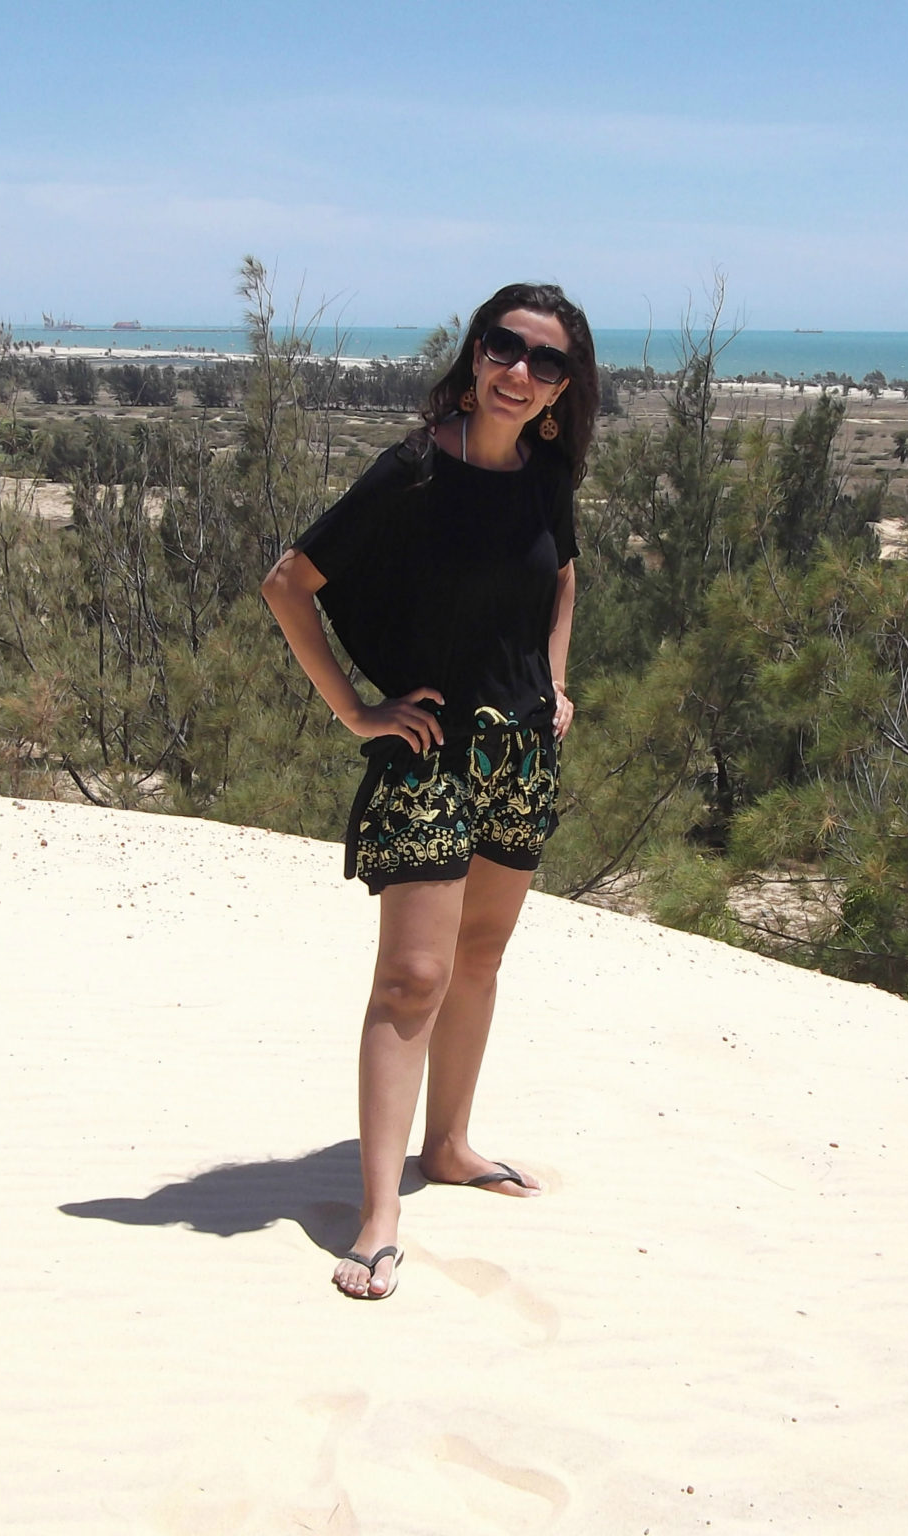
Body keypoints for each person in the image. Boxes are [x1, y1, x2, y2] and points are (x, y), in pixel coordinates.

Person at [262, 283, 598, 1300]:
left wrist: (555, 680)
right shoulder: (412, 470)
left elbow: (563, 577)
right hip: (427, 757)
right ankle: (375, 1215)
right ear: (473, 353)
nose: (520, 371)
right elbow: (288, 583)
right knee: (411, 977)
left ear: (560, 391)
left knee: (480, 957)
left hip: (517, 760)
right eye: (506, 346)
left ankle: (447, 1143)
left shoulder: (545, 474)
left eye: (545, 362)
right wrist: (356, 712)